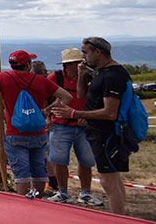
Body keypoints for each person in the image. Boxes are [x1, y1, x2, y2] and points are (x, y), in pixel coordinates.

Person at [50, 37, 131, 215]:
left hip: (106, 134)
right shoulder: (99, 73)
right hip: (94, 131)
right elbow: (82, 94)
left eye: (85, 53)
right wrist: (81, 76)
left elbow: (110, 112)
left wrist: (75, 114)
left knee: (107, 179)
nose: (83, 58)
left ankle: (119, 219)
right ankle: (121, 216)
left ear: (98, 52)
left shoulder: (111, 75)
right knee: (112, 177)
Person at [0, 50, 71, 199]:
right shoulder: (41, 80)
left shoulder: (3, 78)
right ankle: (37, 202)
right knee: (39, 171)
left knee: (21, 174)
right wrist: (48, 111)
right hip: (38, 132)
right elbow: (66, 97)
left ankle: (23, 205)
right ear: (28, 64)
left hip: (15, 133)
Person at [44, 49, 102, 206]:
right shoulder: (55, 78)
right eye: (76, 63)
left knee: (86, 161)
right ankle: (63, 192)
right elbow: (45, 97)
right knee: (59, 161)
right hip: (60, 126)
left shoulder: (90, 78)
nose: (79, 66)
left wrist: (88, 116)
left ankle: (85, 193)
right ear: (67, 65)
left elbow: (98, 101)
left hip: (84, 126)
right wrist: (48, 116)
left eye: (80, 63)